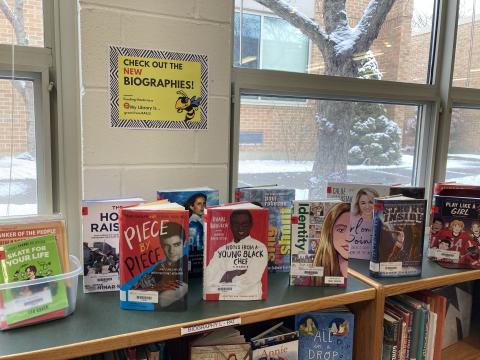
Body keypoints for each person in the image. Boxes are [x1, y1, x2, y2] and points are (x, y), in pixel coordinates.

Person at [204, 209, 268, 299]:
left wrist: (224, 277)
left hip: (251, 300)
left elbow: (250, 279)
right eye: (236, 224)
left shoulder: (260, 248)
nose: (240, 228)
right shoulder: (221, 251)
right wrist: (230, 274)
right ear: (230, 226)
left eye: (244, 224)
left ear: (251, 225)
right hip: (224, 302)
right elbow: (208, 278)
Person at [135, 222, 188, 309]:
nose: (171, 251)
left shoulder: (185, 265)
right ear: (162, 246)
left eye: (176, 245)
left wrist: (148, 290)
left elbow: (161, 302)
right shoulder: (159, 266)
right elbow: (138, 288)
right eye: (167, 246)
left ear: (184, 243)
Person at [313, 202, 351, 283]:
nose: (348, 238)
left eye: (353, 230)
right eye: (340, 230)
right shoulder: (310, 278)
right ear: (329, 232)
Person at [349, 188, 379, 258]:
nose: (367, 206)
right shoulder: (350, 217)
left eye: (371, 202)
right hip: (353, 260)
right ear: (358, 204)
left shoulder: (381, 220)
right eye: (363, 203)